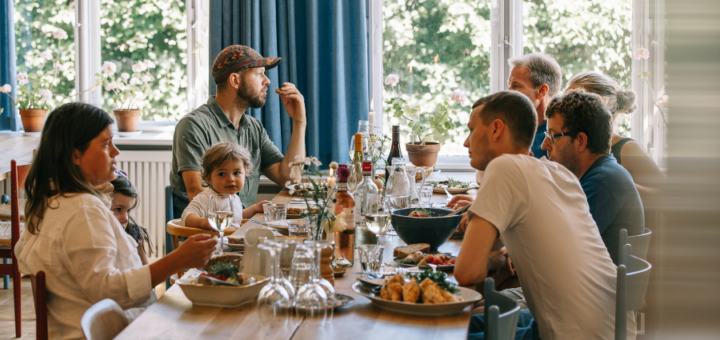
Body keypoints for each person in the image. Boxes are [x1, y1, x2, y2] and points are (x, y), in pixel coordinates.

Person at [15, 103, 217, 339]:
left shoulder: (51, 201)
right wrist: (177, 260)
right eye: (105, 144)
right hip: (115, 331)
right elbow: (106, 289)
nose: (115, 152)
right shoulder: (82, 210)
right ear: (75, 156)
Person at [454, 91, 635, 340]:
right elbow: (487, 254)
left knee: (437, 330)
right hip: (615, 326)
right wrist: (493, 260)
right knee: (465, 322)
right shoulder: (563, 175)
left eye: (471, 129)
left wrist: (489, 260)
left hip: (577, 333)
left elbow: (466, 273)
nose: (466, 142)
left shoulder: (504, 167)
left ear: (496, 129)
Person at [171, 45, 306, 217]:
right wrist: (246, 219)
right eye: (259, 74)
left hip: (241, 228)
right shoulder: (193, 126)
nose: (267, 81)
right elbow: (198, 194)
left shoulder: (254, 128)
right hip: (207, 235)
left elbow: (290, 179)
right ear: (235, 80)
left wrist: (299, 121)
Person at [542, 89, 645, 264]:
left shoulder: (603, 182)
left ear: (581, 141)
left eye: (553, 136)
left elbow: (558, 247)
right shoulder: (599, 174)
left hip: (591, 290)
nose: (545, 145)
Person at [566, 71, 664, 200]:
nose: (565, 108)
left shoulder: (628, 149)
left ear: (600, 107)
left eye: (573, 102)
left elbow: (664, 194)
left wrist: (619, 184)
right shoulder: (576, 146)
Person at [182, 142, 270, 231]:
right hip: (213, 243)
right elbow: (186, 216)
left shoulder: (234, 197)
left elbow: (237, 216)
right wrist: (203, 222)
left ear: (245, 174)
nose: (231, 179)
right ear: (209, 178)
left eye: (236, 173)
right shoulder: (206, 198)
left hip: (231, 241)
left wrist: (254, 208)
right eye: (222, 174)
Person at [508, 53, 563, 159]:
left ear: (542, 91)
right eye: (509, 85)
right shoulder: (507, 129)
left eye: (516, 86)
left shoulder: (560, 137)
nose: (509, 91)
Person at [110, 171, 153, 265]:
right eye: (118, 209)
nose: (126, 218)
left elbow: (146, 272)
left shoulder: (134, 235)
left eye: (128, 211)